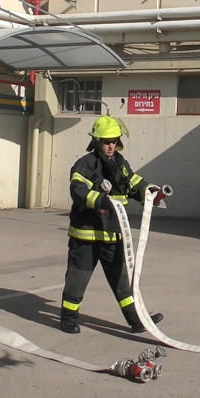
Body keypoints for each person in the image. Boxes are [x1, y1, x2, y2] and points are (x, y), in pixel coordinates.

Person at [60, 115, 164, 335]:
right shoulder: (85, 164)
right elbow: (77, 189)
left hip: (112, 235)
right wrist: (99, 201)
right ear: (96, 141)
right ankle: (68, 319)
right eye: (107, 142)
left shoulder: (120, 163)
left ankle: (136, 321)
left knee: (122, 282)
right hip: (86, 235)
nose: (111, 146)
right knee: (77, 280)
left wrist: (150, 191)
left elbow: (133, 183)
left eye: (114, 141)